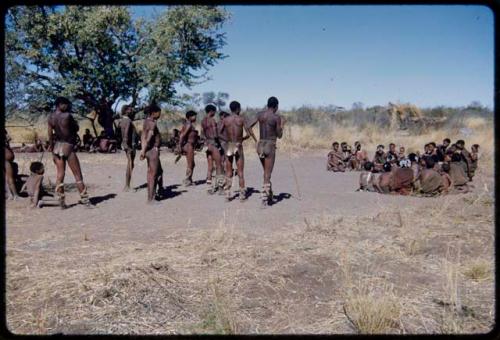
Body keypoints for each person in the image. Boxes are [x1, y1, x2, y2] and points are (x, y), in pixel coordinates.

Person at [48, 97, 90, 208]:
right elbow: (75, 128)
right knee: (78, 175)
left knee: (60, 175)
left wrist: (52, 149)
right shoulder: (67, 116)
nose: (67, 107)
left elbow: (50, 135)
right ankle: (85, 200)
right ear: (60, 104)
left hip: (57, 147)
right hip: (68, 146)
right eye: (66, 104)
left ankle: (61, 202)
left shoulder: (51, 117)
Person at [247, 96, 284, 206]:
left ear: (268, 105)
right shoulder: (276, 117)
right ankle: (264, 198)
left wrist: (255, 140)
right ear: (276, 106)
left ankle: (269, 193)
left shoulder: (260, 114)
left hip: (260, 145)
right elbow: (279, 135)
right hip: (270, 145)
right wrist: (282, 125)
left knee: (266, 172)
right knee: (267, 174)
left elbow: (248, 126)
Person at [219, 100, 257, 202]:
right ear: (238, 109)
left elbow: (219, 133)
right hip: (238, 145)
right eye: (240, 108)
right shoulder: (241, 119)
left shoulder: (225, 120)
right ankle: (242, 195)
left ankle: (227, 195)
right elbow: (249, 132)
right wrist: (244, 139)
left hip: (230, 145)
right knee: (240, 171)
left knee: (229, 171)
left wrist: (226, 140)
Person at [139, 103, 163, 203]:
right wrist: (143, 151)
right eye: (159, 113)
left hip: (148, 150)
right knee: (153, 174)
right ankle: (151, 198)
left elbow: (143, 137)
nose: (160, 114)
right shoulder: (152, 123)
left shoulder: (146, 122)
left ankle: (156, 193)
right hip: (153, 150)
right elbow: (148, 137)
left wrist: (143, 150)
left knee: (156, 172)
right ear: (153, 113)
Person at [201, 104, 225, 194]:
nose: (215, 113)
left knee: (210, 167)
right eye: (214, 111)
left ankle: (209, 188)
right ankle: (220, 188)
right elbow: (215, 135)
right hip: (213, 144)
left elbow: (202, 134)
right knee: (219, 166)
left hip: (207, 145)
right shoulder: (212, 121)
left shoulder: (203, 121)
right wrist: (220, 143)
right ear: (211, 111)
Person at [119, 105, 138, 192]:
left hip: (127, 145)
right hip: (129, 145)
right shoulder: (128, 121)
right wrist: (126, 144)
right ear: (126, 111)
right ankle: (127, 186)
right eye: (130, 109)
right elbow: (126, 132)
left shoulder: (122, 120)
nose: (132, 110)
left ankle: (127, 185)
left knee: (131, 164)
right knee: (130, 164)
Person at [177, 111, 199, 186]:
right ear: (189, 117)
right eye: (194, 116)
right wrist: (179, 146)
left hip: (190, 145)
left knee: (192, 164)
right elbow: (182, 135)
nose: (195, 117)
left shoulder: (189, 124)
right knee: (190, 164)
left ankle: (189, 179)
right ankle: (187, 180)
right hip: (189, 145)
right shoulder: (188, 125)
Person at [5, 129, 19, 200]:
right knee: (10, 178)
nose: (7, 136)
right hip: (6, 161)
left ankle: (9, 194)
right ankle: (15, 195)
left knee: (6, 178)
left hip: (7, 161)